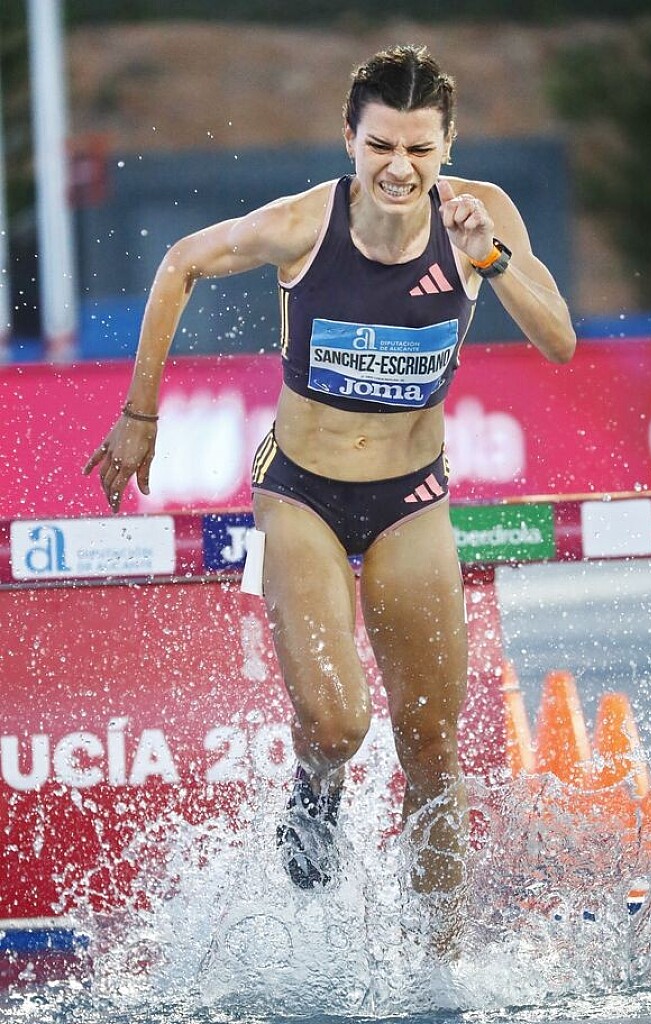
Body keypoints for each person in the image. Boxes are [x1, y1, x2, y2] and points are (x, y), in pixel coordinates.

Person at [84, 44, 575, 948]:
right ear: (349, 138)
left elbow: (560, 343)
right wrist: (139, 414)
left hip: (412, 495)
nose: (400, 169)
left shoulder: (482, 217)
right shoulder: (305, 224)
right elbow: (180, 263)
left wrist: (491, 258)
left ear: (447, 145)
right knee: (340, 723)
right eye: (381, 145)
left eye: (420, 149)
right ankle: (317, 783)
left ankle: (438, 968)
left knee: (431, 750)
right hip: (301, 492)